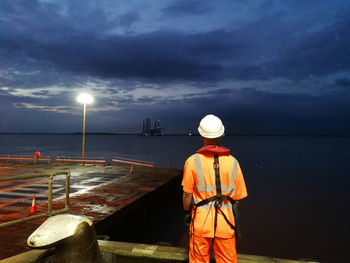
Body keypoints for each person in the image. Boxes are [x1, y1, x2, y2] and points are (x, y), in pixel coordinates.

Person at [182, 114, 248, 263]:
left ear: (201, 134)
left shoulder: (192, 161)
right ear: (221, 134)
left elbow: (187, 197)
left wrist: (187, 212)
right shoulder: (233, 163)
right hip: (226, 223)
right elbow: (238, 197)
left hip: (200, 224)